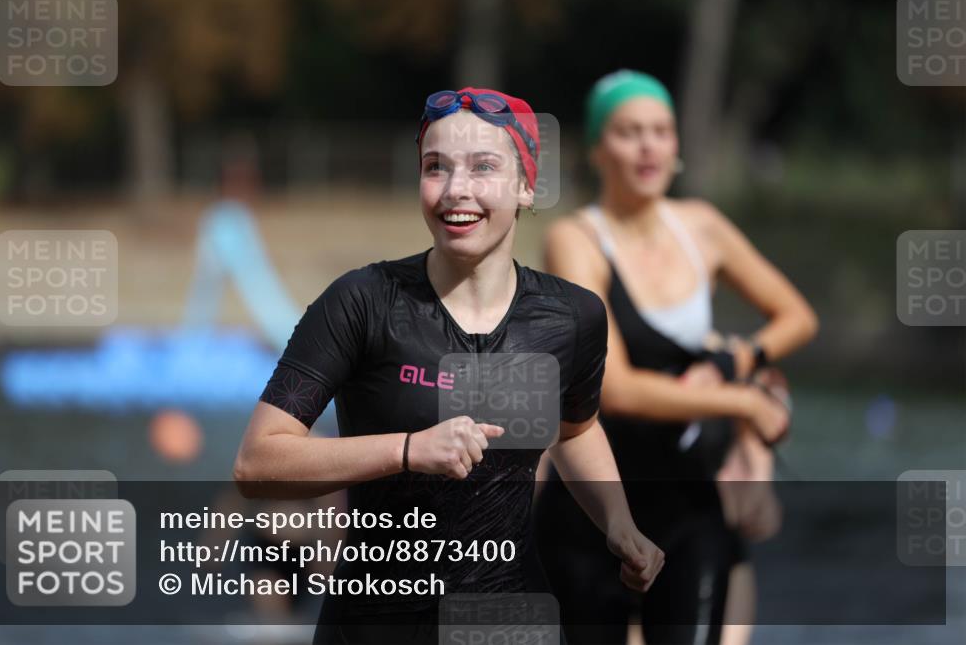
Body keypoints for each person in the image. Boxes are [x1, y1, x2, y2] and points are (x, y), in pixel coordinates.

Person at [233, 87, 665, 645]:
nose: (456, 190)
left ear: (527, 185)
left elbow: (575, 429)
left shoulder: (571, 318)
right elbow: (255, 463)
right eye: (436, 168)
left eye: (484, 168)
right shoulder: (365, 302)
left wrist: (619, 524)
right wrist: (408, 450)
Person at [535, 70, 818, 645]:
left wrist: (732, 363)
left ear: (677, 147)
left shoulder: (704, 228)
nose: (648, 146)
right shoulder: (576, 240)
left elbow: (797, 316)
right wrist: (741, 399)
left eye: (661, 131)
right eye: (629, 132)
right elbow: (616, 388)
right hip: (597, 502)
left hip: (688, 499)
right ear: (596, 149)